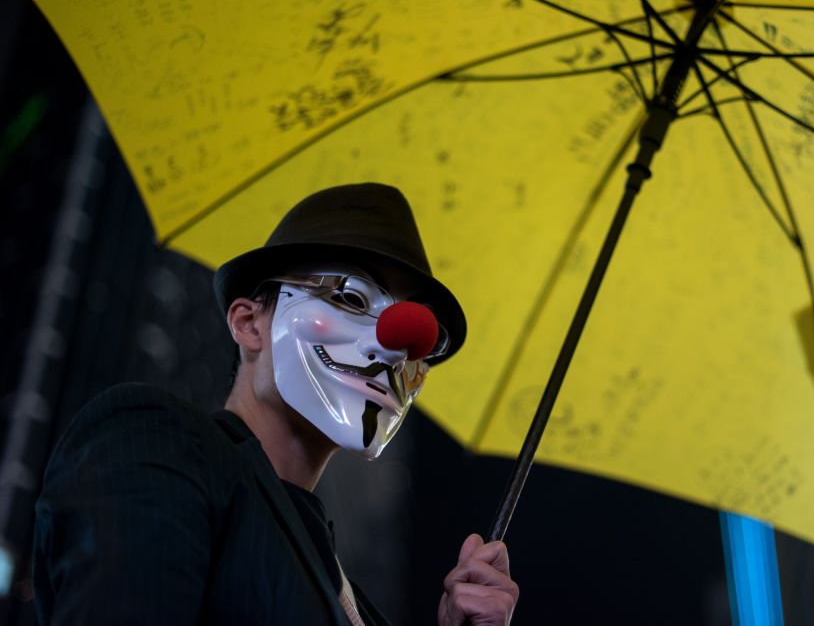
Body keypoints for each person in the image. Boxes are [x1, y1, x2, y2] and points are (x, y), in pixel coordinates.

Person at [32, 183, 519, 625]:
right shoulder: (156, 439)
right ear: (248, 324)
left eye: (418, 341)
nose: (394, 344)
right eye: (350, 298)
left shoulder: (350, 595)